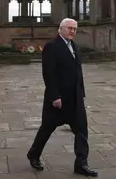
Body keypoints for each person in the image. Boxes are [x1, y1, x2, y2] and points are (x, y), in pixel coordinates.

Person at [27, 18, 98, 177]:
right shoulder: (52, 47)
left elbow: (78, 73)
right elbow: (48, 74)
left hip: (75, 98)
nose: (72, 31)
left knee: (81, 131)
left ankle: (81, 163)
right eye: (69, 28)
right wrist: (54, 96)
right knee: (47, 128)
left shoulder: (75, 46)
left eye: (74, 29)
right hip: (58, 99)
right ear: (60, 29)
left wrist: (82, 94)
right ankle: (34, 154)